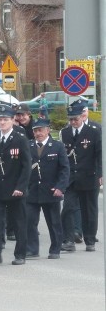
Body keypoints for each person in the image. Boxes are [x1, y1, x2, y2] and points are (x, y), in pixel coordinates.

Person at [0, 104, 31, 265]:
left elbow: (26, 166)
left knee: (18, 222)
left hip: (15, 188)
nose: (2, 123)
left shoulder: (20, 139)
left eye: (5, 120)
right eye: (0, 120)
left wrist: (21, 187)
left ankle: (20, 254)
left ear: (12, 121)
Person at [60, 101, 102, 252]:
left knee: (89, 210)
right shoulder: (65, 133)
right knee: (67, 209)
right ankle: (68, 240)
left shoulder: (94, 132)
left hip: (89, 176)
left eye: (75, 119)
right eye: (70, 119)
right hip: (71, 178)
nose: (73, 122)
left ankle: (90, 240)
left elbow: (99, 155)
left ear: (82, 117)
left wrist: (100, 174)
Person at [26, 118, 70, 259]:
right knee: (30, 221)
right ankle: (32, 249)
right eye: (35, 130)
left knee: (54, 222)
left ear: (48, 130)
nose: (38, 133)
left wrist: (60, 187)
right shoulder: (28, 146)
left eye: (40, 130)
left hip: (51, 191)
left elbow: (64, 169)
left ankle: (55, 249)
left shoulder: (57, 146)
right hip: (32, 191)